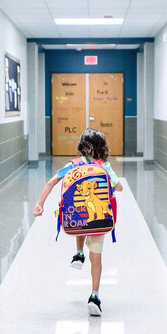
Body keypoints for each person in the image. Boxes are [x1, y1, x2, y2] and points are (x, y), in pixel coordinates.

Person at [33, 128, 122, 316]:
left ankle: (79, 253)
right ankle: (94, 296)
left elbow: (51, 182)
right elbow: (119, 187)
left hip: (77, 218)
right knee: (96, 256)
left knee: (80, 218)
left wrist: (39, 205)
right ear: (102, 147)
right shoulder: (104, 166)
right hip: (99, 219)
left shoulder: (73, 164)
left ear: (82, 146)